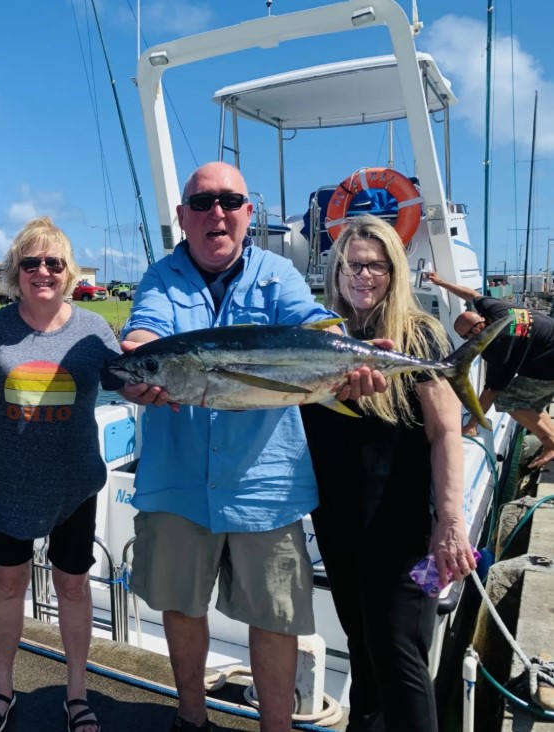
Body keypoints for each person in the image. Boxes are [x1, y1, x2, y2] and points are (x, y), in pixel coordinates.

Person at [119, 161, 386, 732]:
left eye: (230, 200)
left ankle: (276, 728)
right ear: (182, 217)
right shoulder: (159, 278)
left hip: (266, 481)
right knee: (181, 605)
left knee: (277, 617)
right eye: (202, 203)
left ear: (247, 213)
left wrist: (345, 353)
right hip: (177, 480)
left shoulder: (278, 273)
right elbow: (145, 330)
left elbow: (311, 321)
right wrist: (137, 357)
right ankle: (191, 719)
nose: (216, 212)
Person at [0, 217, 133, 732]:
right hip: (9, 483)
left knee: (73, 588)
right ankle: (3, 688)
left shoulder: (94, 329)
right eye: (31, 263)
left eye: (53, 263)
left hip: (75, 485)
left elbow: (133, 382)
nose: (42, 271)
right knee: (7, 587)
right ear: (15, 272)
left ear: (69, 272)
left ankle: (77, 693)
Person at [301, 216, 476, 732]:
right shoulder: (322, 336)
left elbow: (446, 431)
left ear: (393, 272)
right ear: (335, 271)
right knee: (361, 641)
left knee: (399, 654)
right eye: (352, 264)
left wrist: (450, 520)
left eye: (375, 265)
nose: (363, 275)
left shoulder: (416, 335)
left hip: (401, 528)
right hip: (337, 523)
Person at [425, 270, 554, 469]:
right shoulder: (494, 309)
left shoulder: (498, 346)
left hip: (548, 366)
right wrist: (441, 282)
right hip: (547, 351)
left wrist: (471, 426)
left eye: (466, 337)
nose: (468, 342)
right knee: (531, 403)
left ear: (477, 330)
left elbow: (491, 391)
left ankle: (550, 444)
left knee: (508, 400)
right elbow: (471, 294)